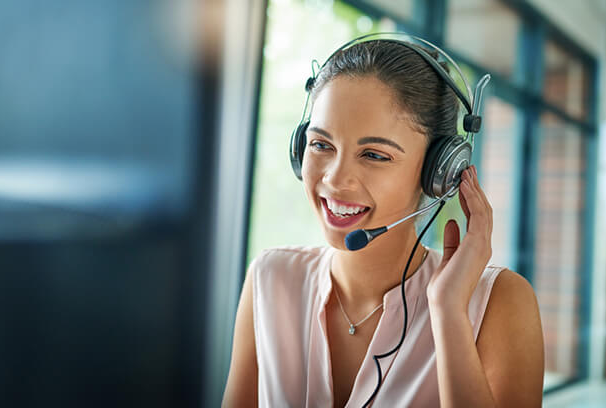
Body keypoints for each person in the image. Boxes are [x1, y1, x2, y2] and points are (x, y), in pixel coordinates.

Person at [223, 38, 544, 407]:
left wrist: (449, 312)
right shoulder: (271, 278)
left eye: (374, 154)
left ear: (439, 172)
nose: (335, 179)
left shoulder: (500, 302)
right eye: (321, 145)